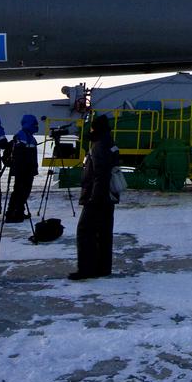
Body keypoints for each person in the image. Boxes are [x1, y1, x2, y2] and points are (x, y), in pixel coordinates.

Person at [70, 114, 119, 281]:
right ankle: (103, 267)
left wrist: (94, 198)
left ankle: (85, 269)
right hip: (109, 196)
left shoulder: (98, 146)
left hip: (98, 196)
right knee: (104, 232)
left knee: (84, 231)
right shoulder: (110, 143)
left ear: (95, 128)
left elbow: (100, 173)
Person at [3, 115, 40, 223]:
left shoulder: (28, 136)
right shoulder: (23, 136)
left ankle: (18, 211)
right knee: (20, 191)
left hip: (26, 170)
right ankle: (13, 213)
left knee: (22, 191)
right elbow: (20, 155)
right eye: (35, 124)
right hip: (24, 170)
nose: (36, 126)